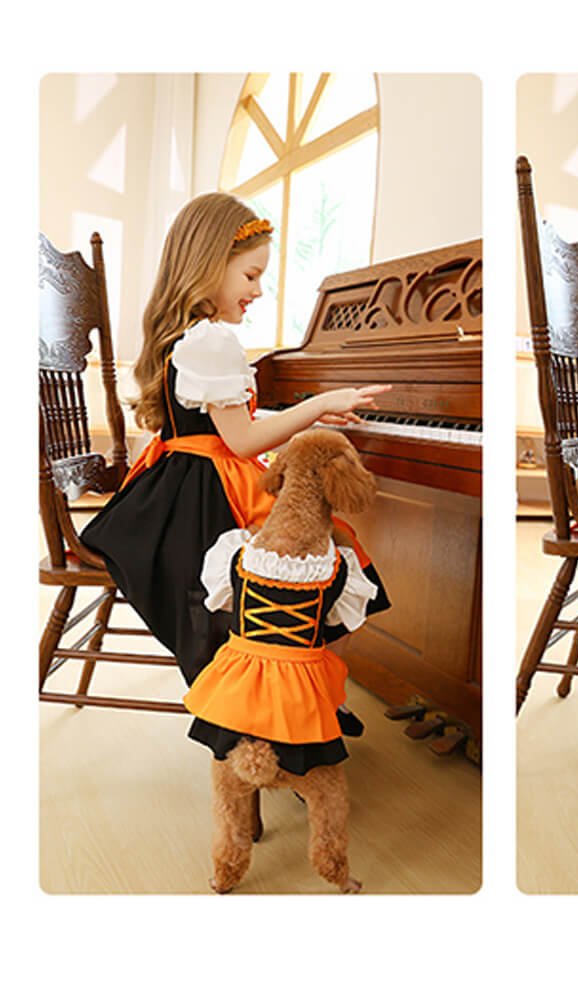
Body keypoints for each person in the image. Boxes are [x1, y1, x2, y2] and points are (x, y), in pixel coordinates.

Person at [81, 193, 391, 734]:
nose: (258, 290)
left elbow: (223, 426)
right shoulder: (212, 341)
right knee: (307, 563)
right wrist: (317, 406)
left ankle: (295, 696)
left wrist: (299, 417)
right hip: (199, 500)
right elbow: (243, 441)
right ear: (207, 264)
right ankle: (279, 708)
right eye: (250, 275)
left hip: (178, 487)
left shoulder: (194, 338)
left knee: (316, 549)